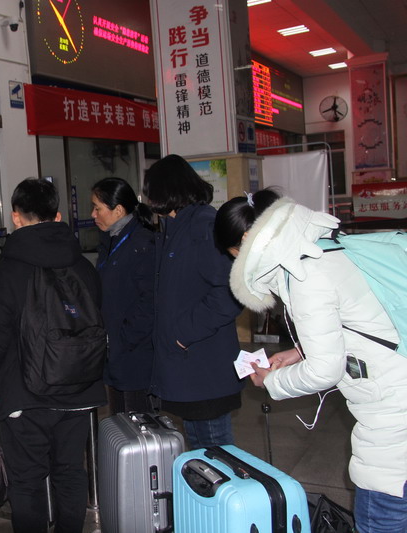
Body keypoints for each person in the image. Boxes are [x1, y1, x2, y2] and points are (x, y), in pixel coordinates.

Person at [216, 190, 407, 533]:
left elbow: (324, 371)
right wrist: (299, 352)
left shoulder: (303, 272)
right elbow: (360, 320)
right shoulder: (323, 246)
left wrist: (270, 381)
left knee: (380, 517)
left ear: (245, 241)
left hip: (391, 421)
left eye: (232, 254)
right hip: (398, 383)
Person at [0, 178, 106, 533]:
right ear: (57, 216)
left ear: (16, 217)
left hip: (24, 395)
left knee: (27, 481)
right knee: (70, 471)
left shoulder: (6, 273)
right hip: (79, 390)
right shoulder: (84, 267)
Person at [141, 154, 244, 449]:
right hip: (188, 365)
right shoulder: (176, 228)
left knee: (215, 451)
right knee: (200, 451)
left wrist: (182, 334)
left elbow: (229, 293)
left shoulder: (203, 226)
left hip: (203, 363)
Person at [91, 177, 155, 414]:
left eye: (98, 208)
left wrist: (125, 337)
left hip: (134, 353)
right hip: (115, 350)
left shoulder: (142, 243)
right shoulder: (110, 240)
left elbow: (149, 301)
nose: (93, 214)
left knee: (137, 423)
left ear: (118, 210)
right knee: (118, 422)